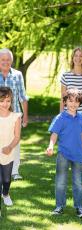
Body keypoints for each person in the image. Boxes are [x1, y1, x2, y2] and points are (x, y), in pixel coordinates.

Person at [46, 88, 82, 218]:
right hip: (63, 154)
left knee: (78, 183)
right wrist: (51, 146)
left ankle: (79, 208)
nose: (73, 104)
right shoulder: (60, 118)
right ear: (64, 102)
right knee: (61, 181)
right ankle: (59, 206)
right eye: (70, 101)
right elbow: (54, 134)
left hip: (78, 155)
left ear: (80, 103)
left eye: (76, 101)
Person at [60, 47, 82, 176]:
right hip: (69, 115)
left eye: (81, 56)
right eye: (76, 55)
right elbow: (62, 97)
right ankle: (76, 164)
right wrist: (61, 115)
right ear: (72, 58)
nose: (78, 58)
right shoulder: (65, 76)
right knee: (70, 140)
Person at [0, 48, 28, 181]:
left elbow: (23, 96)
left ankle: (15, 171)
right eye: (3, 59)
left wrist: (25, 116)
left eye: (8, 59)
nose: (5, 62)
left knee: (15, 142)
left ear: (11, 61)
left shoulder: (17, 75)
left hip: (15, 114)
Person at [0, 87, 21, 206]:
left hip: (8, 151)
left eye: (8, 101)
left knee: (6, 180)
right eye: (2, 101)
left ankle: (6, 194)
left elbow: (17, 137)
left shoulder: (15, 117)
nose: (5, 104)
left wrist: (9, 147)